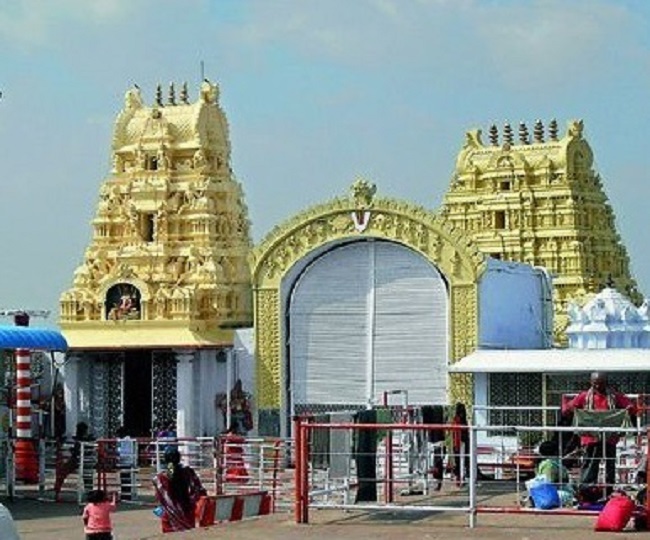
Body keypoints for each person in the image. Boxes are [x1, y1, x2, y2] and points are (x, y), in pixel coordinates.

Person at [563, 371, 637, 491]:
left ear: (606, 383)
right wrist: (575, 411)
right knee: (590, 464)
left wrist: (628, 410)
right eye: (595, 384)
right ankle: (586, 490)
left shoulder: (614, 396)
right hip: (591, 438)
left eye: (600, 383)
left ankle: (608, 489)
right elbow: (566, 409)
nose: (597, 386)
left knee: (610, 465)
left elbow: (632, 407)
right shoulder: (584, 396)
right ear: (591, 383)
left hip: (610, 438)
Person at [152, 448, 206, 533]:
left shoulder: (160, 478)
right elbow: (199, 490)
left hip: (170, 517)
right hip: (187, 511)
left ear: (165, 459)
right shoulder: (188, 472)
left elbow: (159, 498)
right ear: (179, 457)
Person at [55, 421, 95, 498]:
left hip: (76, 459)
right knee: (87, 476)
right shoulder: (88, 439)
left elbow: (75, 450)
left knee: (62, 473)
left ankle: (57, 492)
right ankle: (89, 493)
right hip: (83, 460)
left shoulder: (77, 439)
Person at [450, 403, 470, 487]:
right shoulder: (462, 420)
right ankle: (460, 479)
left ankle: (460, 479)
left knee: (460, 462)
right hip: (460, 443)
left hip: (459, 443)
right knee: (461, 462)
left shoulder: (457, 419)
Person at [115, 426, 136, 501]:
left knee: (125, 479)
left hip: (125, 461)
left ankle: (126, 495)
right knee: (125, 479)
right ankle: (125, 495)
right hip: (125, 461)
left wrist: (117, 454)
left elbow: (123, 451)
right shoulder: (127, 440)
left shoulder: (125, 440)